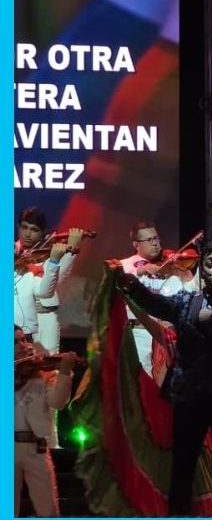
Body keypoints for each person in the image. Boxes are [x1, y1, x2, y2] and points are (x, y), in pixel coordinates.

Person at [117, 244, 212, 516]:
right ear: (202, 272)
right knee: (182, 471)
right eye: (209, 264)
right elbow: (156, 304)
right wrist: (131, 285)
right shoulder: (186, 301)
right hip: (190, 397)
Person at [119, 221, 198, 376]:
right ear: (136, 244)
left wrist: (186, 276)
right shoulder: (126, 265)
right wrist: (141, 271)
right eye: (149, 240)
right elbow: (123, 281)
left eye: (156, 238)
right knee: (142, 380)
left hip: (169, 336)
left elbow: (191, 296)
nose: (155, 243)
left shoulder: (171, 267)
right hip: (141, 335)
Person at [14, 326, 77, 517]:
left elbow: (58, 402)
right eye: (15, 342)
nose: (24, 345)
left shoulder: (42, 370)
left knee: (48, 511)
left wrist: (65, 373)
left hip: (37, 449)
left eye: (23, 339)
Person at [14, 207, 85, 354]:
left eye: (34, 230)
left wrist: (72, 250)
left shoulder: (48, 252)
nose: (27, 234)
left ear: (42, 232)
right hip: (15, 316)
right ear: (18, 227)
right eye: (24, 227)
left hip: (44, 316)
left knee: (47, 364)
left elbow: (55, 281)